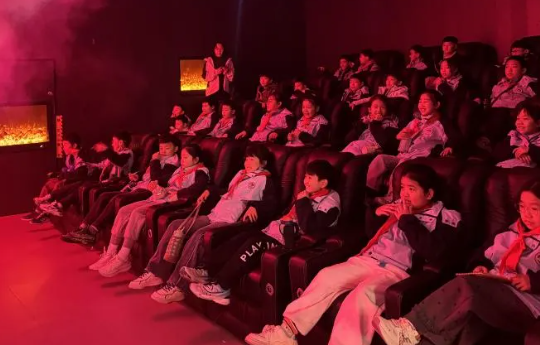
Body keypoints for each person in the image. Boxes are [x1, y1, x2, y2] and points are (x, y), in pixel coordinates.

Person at [245, 164, 463, 345]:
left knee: (363, 296)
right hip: (370, 259)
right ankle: (285, 333)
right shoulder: (398, 206)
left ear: (429, 194)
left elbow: (434, 251)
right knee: (327, 276)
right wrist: (376, 214)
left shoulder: (446, 217)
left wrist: (407, 220)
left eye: (412, 189)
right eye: (403, 188)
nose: (404, 194)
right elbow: (370, 234)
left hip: (397, 271)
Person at [374, 178, 540, 345]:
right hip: (494, 289)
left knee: (467, 286)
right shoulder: (511, 231)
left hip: (527, 303)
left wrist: (534, 281)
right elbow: (482, 254)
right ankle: (410, 338)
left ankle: (409, 328)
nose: (526, 214)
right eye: (522, 207)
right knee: (465, 321)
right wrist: (480, 266)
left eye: (534, 209)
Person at [128, 145, 276, 305]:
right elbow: (226, 190)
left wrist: (256, 206)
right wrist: (209, 191)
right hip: (214, 214)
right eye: (246, 159)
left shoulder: (265, 180)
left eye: (252, 159)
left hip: (230, 221)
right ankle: (155, 272)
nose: (247, 162)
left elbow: (273, 203)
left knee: (200, 235)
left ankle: (177, 286)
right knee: (177, 225)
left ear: (263, 163)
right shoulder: (240, 174)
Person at [188, 160, 340, 305]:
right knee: (242, 237)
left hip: (290, 243)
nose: (305, 181)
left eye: (310, 178)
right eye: (305, 176)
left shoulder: (330, 203)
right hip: (275, 231)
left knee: (255, 243)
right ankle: (208, 272)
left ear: (323, 183)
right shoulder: (310, 193)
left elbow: (309, 227)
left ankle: (221, 287)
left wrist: (303, 201)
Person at [91, 143, 210, 276]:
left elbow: (197, 188)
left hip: (171, 203)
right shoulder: (181, 170)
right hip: (159, 197)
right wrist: (156, 183)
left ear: (196, 159)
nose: (182, 160)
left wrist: (177, 194)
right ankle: (111, 252)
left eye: (186, 157)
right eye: (181, 157)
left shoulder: (201, 171)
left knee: (137, 213)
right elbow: (165, 180)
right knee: (124, 210)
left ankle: (123, 257)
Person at [61, 134, 181, 245]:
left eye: (167, 148)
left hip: (148, 192)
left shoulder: (173, 163)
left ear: (176, 149)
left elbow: (156, 179)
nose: (163, 151)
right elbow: (147, 173)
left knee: (115, 198)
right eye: (161, 148)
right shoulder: (160, 159)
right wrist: (137, 175)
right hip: (138, 185)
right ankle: (83, 227)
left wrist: (154, 161)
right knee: (104, 196)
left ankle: (92, 231)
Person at [366, 91, 460, 198]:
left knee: (400, 167)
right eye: (420, 101)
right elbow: (399, 142)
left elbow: (455, 137)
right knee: (380, 159)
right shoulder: (414, 121)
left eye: (425, 101)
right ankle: (369, 193)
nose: (421, 104)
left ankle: (391, 199)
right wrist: (399, 137)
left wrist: (449, 146)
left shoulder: (441, 122)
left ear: (437, 105)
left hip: (419, 158)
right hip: (403, 155)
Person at [36, 132, 134, 219]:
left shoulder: (128, 153)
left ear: (121, 142)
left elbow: (119, 161)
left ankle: (54, 203)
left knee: (80, 185)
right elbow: (102, 164)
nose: (112, 144)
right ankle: (52, 201)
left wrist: (106, 150)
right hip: (106, 181)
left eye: (113, 141)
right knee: (77, 185)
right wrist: (90, 165)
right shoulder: (115, 154)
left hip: (116, 183)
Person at [22, 133, 85, 221]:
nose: (63, 147)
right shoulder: (69, 157)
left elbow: (79, 175)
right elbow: (67, 171)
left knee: (57, 185)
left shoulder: (82, 157)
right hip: (67, 178)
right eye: (63, 145)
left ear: (74, 145)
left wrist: (63, 176)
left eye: (65, 144)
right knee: (49, 183)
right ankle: (38, 210)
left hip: (75, 182)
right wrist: (59, 175)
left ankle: (47, 212)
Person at [479, 56, 538, 145]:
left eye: (514, 67)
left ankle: (487, 141)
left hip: (511, 114)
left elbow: (536, 99)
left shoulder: (528, 83)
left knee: (500, 113)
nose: (509, 70)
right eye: (507, 67)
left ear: (523, 70)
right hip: (492, 111)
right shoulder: (501, 83)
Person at [493, 103, 540, 169]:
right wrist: (516, 151)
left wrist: (529, 150)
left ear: (539, 123)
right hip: (504, 170)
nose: (519, 123)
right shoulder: (514, 134)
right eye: (518, 118)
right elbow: (496, 154)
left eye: (525, 119)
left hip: (530, 172)